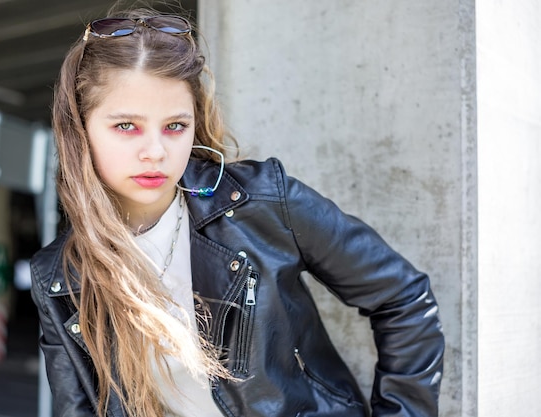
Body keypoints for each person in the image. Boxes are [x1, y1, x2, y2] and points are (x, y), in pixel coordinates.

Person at [30, 4, 444, 417]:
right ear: (80, 130)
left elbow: (404, 297)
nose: (155, 152)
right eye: (126, 126)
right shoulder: (59, 277)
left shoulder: (260, 203)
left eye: (175, 126)